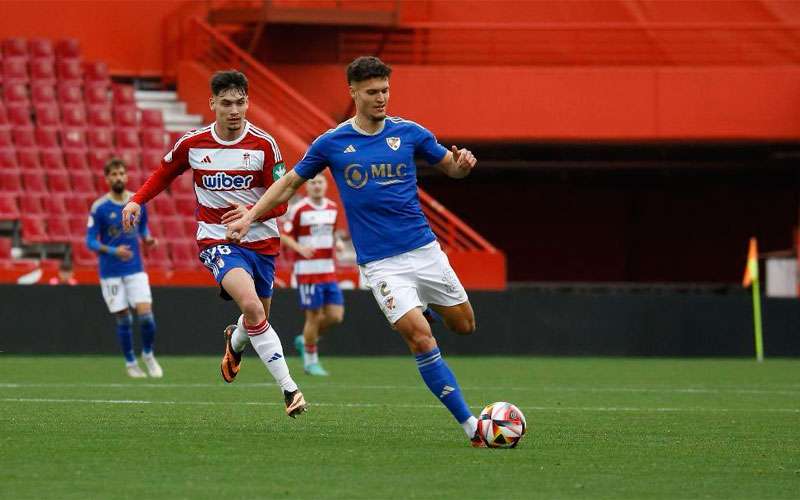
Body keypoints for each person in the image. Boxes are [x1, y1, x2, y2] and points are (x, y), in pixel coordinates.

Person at [225, 56, 485, 445]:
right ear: (353, 92)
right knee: (421, 338)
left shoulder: (410, 133)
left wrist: (464, 163)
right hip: (382, 265)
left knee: (465, 326)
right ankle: (472, 427)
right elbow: (290, 183)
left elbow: (452, 167)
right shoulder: (332, 143)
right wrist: (251, 216)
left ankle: (423, 305)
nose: (381, 98)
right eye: (372, 92)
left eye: (385, 91)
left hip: (426, 252)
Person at [120, 70, 307, 418]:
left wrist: (252, 212)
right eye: (226, 103)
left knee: (258, 317)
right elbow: (164, 172)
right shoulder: (193, 143)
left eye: (240, 103)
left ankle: (235, 343)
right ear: (213, 104)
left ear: (248, 103)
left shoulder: (264, 145)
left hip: (262, 242)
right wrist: (136, 200)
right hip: (216, 240)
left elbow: (282, 200)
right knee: (251, 306)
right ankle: (290, 389)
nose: (234, 110)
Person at [86, 158, 162, 378]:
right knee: (124, 319)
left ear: (126, 176)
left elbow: (143, 227)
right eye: (114, 174)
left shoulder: (137, 202)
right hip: (110, 272)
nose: (118, 177)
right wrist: (112, 251)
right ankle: (130, 362)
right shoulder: (99, 208)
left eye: (121, 173)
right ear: (107, 178)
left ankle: (148, 354)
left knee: (146, 316)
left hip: (135, 268)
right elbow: (90, 241)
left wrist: (147, 239)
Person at [281, 174, 345, 376]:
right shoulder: (299, 209)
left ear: (326, 185)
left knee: (336, 316)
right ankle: (311, 362)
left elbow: (331, 233)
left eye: (320, 182)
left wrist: (338, 242)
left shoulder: (332, 208)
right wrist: (299, 247)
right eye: (312, 183)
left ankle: (305, 339)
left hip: (328, 270)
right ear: (306, 187)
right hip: (308, 272)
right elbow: (284, 235)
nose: (316, 186)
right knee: (314, 316)